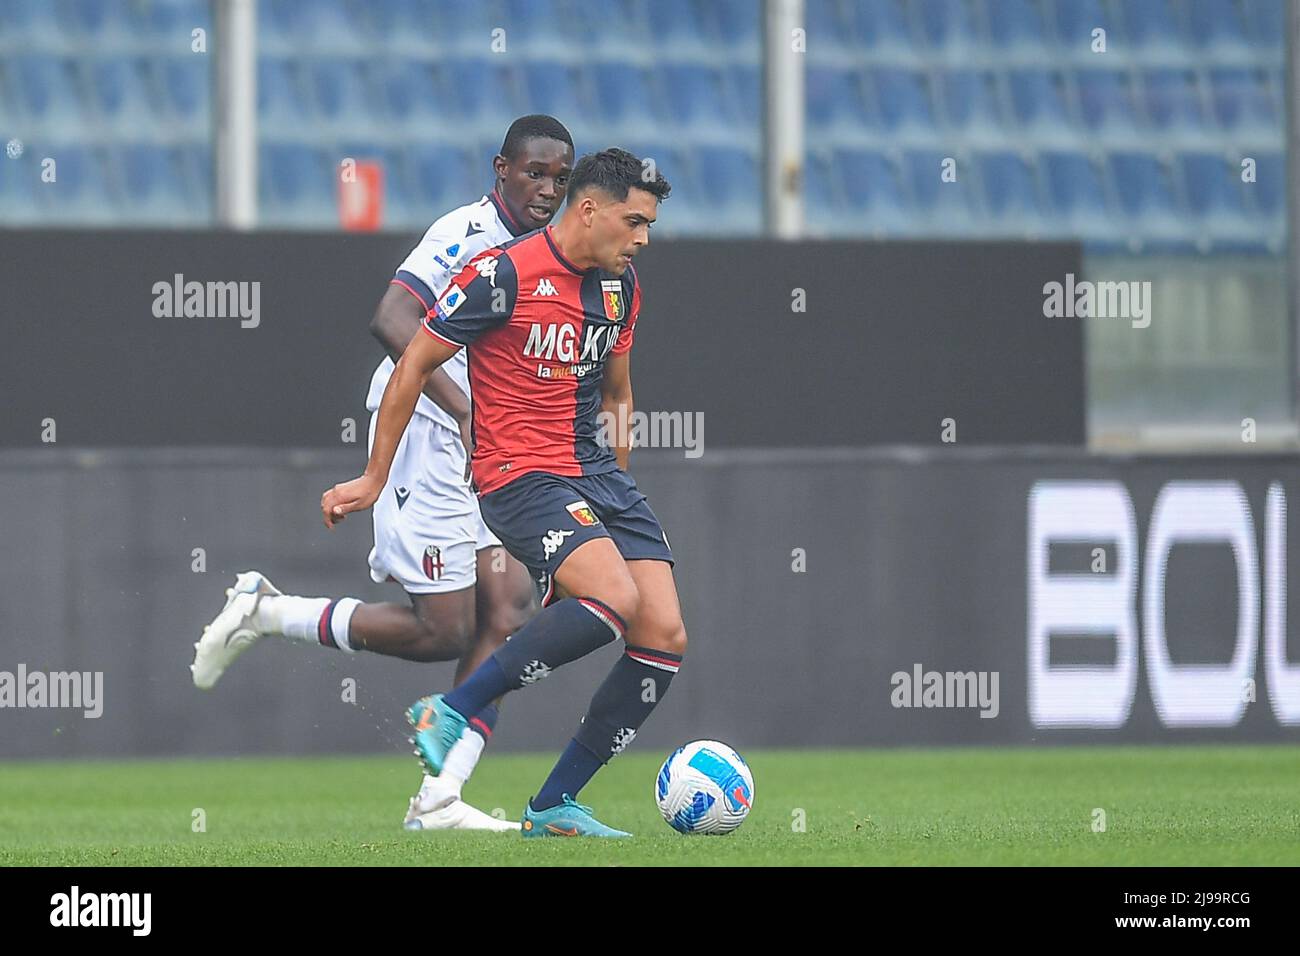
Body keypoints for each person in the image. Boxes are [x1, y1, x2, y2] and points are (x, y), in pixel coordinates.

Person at [192, 115, 576, 832]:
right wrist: (464, 409)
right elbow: (393, 318)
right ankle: (267, 612)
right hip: (426, 434)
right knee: (444, 634)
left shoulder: (552, 254)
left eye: (560, 177)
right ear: (501, 169)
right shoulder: (465, 234)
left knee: (511, 607)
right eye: (534, 173)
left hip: (485, 446)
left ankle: (440, 801)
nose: (547, 189)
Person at [321, 148, 685, 837]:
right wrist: (373, 476)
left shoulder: (619, 288)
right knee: (612, 598)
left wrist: (620, 476)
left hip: (594, 473)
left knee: (662, 634)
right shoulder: (501, 274)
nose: (643, 239)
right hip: (518, 470)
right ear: (590, 210)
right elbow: (414, 360)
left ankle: (552, 805)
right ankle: (451, 708)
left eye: (650, 226)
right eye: (635, 222)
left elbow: (618, 392)